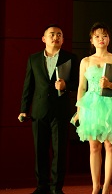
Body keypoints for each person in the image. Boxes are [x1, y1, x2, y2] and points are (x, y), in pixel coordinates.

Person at [73, 22, 112, 194]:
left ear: (109, 39)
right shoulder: (86, 61)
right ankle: (95, 187)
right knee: (94, 147)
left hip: (111, 104)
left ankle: (106, 187)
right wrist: (79, 111)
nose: (101, 39)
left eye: (104, 36)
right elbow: (81, 88)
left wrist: (109, 84)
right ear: (91, 40)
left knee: (110, 146)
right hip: (91, 105)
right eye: (97, 36)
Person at [19, 24, 79, 194]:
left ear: (63, 39)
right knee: (40, 150)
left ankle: (56, 188)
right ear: (44, 39)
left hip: (60, 111)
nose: (55, 37)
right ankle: (42, 186)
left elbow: (78, 84)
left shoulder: (70, 58)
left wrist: (66, 85)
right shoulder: (33, 59)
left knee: (59, 152)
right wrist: (24, 109)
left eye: (59, 35)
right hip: (39, 111)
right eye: (52, 34)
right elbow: (28, 86)